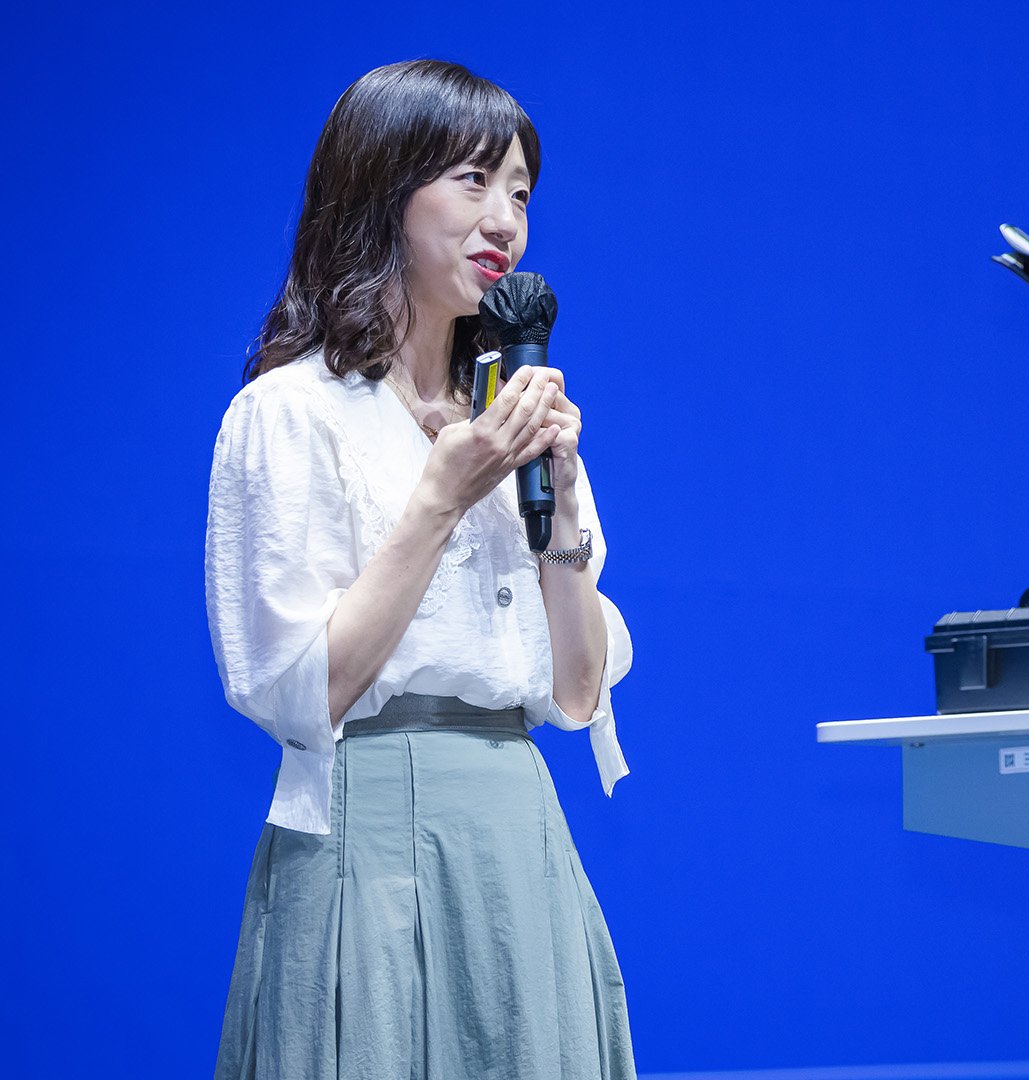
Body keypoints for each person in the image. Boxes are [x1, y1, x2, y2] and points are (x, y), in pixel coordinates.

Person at [205, 60, 637, 1079]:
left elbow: (577, 696)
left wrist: (558, 494)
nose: (505, 222)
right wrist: (442, 497)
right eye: (473, 181)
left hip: (518, 827)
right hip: (369, 827)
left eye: (521, 193)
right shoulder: (289, 413)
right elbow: (301, 691)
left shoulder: (511, 416)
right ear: (383, 190)